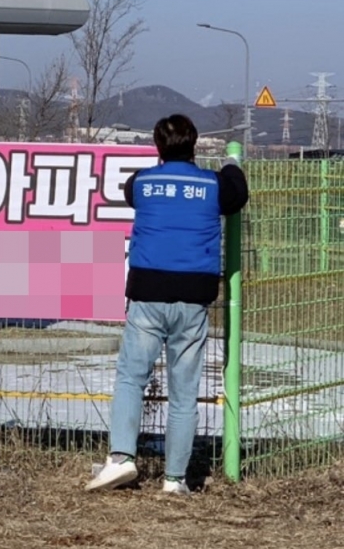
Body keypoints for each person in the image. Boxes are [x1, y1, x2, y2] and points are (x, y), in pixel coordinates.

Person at [86, 114, 249, 495]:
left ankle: (121, 458)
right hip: (193, 296)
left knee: (131, 377)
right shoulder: (213, 185)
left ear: (158, 147)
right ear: (194, 145)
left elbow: (130, 193)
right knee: (184, 390)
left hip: (147, 292)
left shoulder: (141, 183)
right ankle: (175, 480)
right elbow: (237, 192)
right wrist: (231, 162)